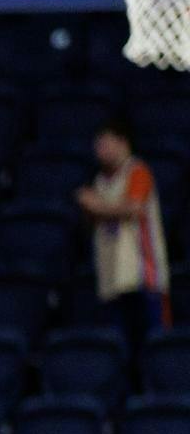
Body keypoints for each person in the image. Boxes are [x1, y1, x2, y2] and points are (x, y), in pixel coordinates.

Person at [78, 116, 172, 341]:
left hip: (144, 276)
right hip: (112, 280)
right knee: (117, 348)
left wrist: (96, 206)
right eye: (97, 145)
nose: (100, 150)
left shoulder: (137, 171)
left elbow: (134, 208)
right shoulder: (100, 181)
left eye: (105, 143)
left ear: (122, 142)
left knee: (156, 344)